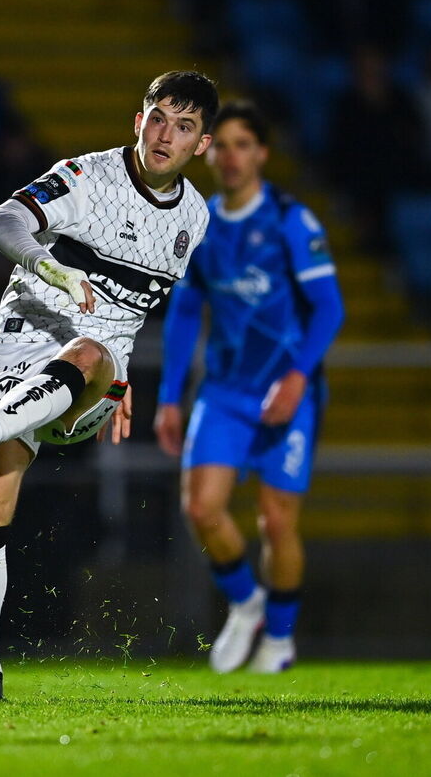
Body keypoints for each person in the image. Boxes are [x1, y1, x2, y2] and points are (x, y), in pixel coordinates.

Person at [0, 71, 218, 701]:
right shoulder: (87, 178)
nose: (166, 134)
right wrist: (49, 265)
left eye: (184, 126)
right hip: (19, 339)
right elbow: (0, 223)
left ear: (202, 144)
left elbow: (137, 308)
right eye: (159, 117)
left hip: (93, 368)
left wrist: (122, 372)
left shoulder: (194, 218)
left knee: (87, 352)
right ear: (138, 120)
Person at [154, 101, 344, 674]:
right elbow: (186, 312)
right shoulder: (198, 223)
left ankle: (280, 641)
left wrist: (296, 379)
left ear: (261, 153)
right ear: (207, 151)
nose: (233, 156)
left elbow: (329, 309)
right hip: (225, 391)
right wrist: (168, 395)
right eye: (224, 145)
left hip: (287, 394)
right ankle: (246, 602)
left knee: (277, 521)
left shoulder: (291, 220)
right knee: (202, 509)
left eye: (245, 144)